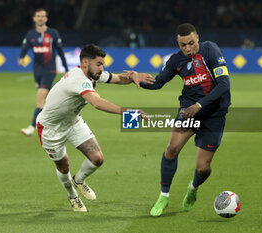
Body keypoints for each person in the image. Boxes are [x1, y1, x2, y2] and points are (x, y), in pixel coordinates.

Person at [36, 44, 154, 212]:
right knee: (64, 167)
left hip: (73, 121)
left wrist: (135, 76)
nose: (102, 68)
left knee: (97, 158)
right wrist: (130, 113)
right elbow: (97, 103)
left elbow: (117, 78)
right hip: (50, 128)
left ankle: (79, 180)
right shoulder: (78, 79)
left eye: (102, 64)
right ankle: (72, 196)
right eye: (99, 63)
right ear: (85, 62)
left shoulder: (93, 74)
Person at [139, 23, 231, 217]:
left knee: (203, 168)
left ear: (197, 37)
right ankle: (164, 196)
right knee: (172, 148)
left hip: (214, 113)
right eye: (183, 45)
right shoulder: (176, 61)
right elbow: (157, 84)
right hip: (189, 110)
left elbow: (224, 84)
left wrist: (200, 104)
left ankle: (193, 188)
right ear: (178, 43)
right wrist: (135, 78)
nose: (188, 49)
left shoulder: (210, 50)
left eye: (191, 43)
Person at [18, 8, 69, 136]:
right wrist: (21, 57)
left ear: (46, 19)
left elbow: (60, 51)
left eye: (42, 16)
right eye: (38, 16)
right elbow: (25, 48)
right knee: (45, 101)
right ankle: (60, 122)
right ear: (34, 18)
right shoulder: (30, 34)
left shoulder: (52, 33)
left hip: (49, 70)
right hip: (37, 70)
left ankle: (31, 127)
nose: (40, 18)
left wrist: (66, 68)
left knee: (40, 98)